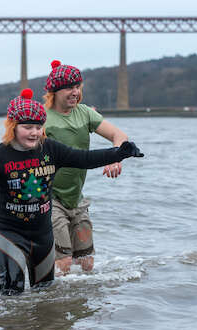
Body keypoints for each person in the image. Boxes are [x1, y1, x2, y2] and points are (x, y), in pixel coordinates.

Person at [0, 89, 143, 295]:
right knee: (11, 293)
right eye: (27, 127)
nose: (33, 133)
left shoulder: (50, 149)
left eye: (38, 127)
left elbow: (84, 158)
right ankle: (13, 328)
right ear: (12, 126)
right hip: (10, 234)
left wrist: (118, 153)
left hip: (43, 234)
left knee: (46, 294)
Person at [43, 60, 132, 275]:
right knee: (63, 264)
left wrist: (115, 156)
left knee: (87, 265)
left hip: (77, 199)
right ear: (54, 91)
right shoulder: (43, 119)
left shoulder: (85, 113)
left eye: (78, 87)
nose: (75, 92)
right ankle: (49, 304)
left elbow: (119, 135)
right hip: (50, 198)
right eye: (69, 88)